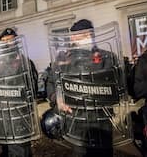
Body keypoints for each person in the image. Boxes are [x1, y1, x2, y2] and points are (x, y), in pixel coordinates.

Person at [45, 19, 127, 157]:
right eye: (74, 35)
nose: (74, 39)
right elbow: (52, 83)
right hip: (75, 119)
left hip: (101, 119)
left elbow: (120, 86)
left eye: (81, 35)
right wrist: (56, 98)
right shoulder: (63, 59)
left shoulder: (106, 57)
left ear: (91, 35)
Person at [0, 28, 38, 157]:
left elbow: (32, 88)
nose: (7, 44)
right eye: (3, 42)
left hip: (19, 115)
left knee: (21, 150)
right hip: (3, 115)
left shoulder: (25, 63)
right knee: (6, 149)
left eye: (10, 41)